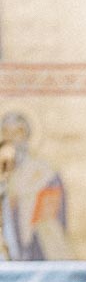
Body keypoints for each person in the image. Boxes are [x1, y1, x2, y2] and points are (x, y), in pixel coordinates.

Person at [0, 110, 71, 260]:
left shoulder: (44, 172)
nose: (12, 138)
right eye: (6, 132)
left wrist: (21, 204)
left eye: (17, 132)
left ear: (27, 135)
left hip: (36, 246)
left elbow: (54, 215)